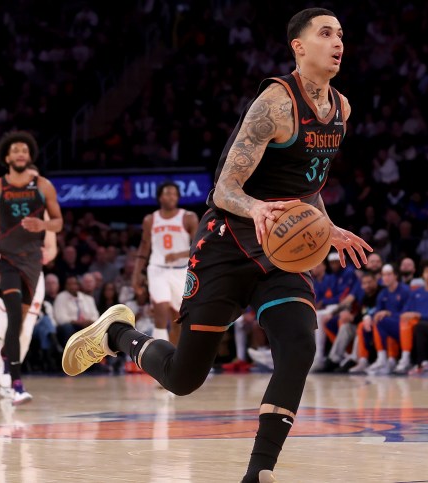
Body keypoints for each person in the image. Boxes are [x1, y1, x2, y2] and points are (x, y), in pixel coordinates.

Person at [61, 9, 370, 482]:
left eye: (341, 34)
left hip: (279, 252)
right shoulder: (275, 103)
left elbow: (308, 187)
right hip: (228, 240)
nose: (338, 42)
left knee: (298, 345)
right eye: (325, 33)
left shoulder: (341, 110)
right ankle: (116, 335)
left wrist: (326, 227)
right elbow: (223, 190)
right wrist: (258, 209)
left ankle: (258, 472)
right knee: (185, 379)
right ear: (298, 46)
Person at [0, 131, 63, 405]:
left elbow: (58, 223)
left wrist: (44, 226)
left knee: (21, 325)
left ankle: (3, 350)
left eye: (25, 149)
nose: (21, 153)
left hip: (32, 263)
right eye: (16, 150)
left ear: (31, 155)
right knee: (13, 318)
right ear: (7, 157)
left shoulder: (44, 187)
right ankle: (16, 384)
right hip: (6, 261)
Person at [132, 182, 198, 346]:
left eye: (174, 194)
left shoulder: (188, 217)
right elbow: (144, 246)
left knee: (179, 318)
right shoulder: (150, 219)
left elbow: (200, 246)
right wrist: (136, 275)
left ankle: (178, 356)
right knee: (160, 312)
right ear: (160, 197)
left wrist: (179, 254)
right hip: (157, 270)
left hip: (181, 271)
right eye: (168, 193)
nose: (171, 197)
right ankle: (160, 357)